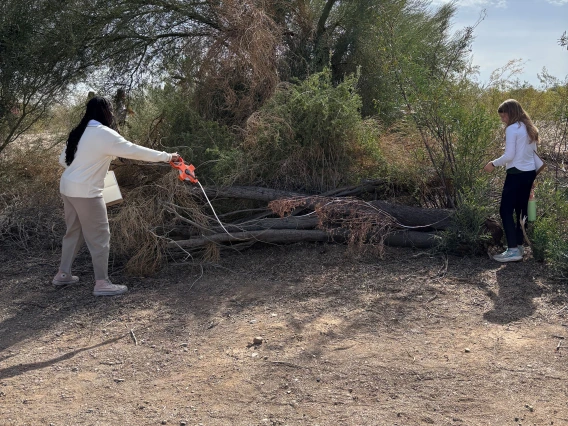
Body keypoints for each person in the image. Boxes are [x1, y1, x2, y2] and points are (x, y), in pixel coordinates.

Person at [52, 96, 180, 296]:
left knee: (73, 232)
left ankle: (63, 274)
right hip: (87, 193)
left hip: (68, 188)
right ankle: (102, 283)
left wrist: (85, 165)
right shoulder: (104, 134)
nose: (112, 114)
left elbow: (63, 161)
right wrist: (167, 156)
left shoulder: (78, 131)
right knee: (100, 236)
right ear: (105, 112)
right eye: (110, 110)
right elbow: (134, 151)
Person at [483, 99, 540, 263]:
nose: (502, 119)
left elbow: (509, 156)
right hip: (529, 173)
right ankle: (519, 245)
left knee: (506, 210)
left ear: (511, 113)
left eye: (503, 116)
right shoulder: (530, 128)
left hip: (516, 174)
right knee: (522, 211)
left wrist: (492, 164)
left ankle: (513, 250)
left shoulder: (512, 129)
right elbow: (534, 156)